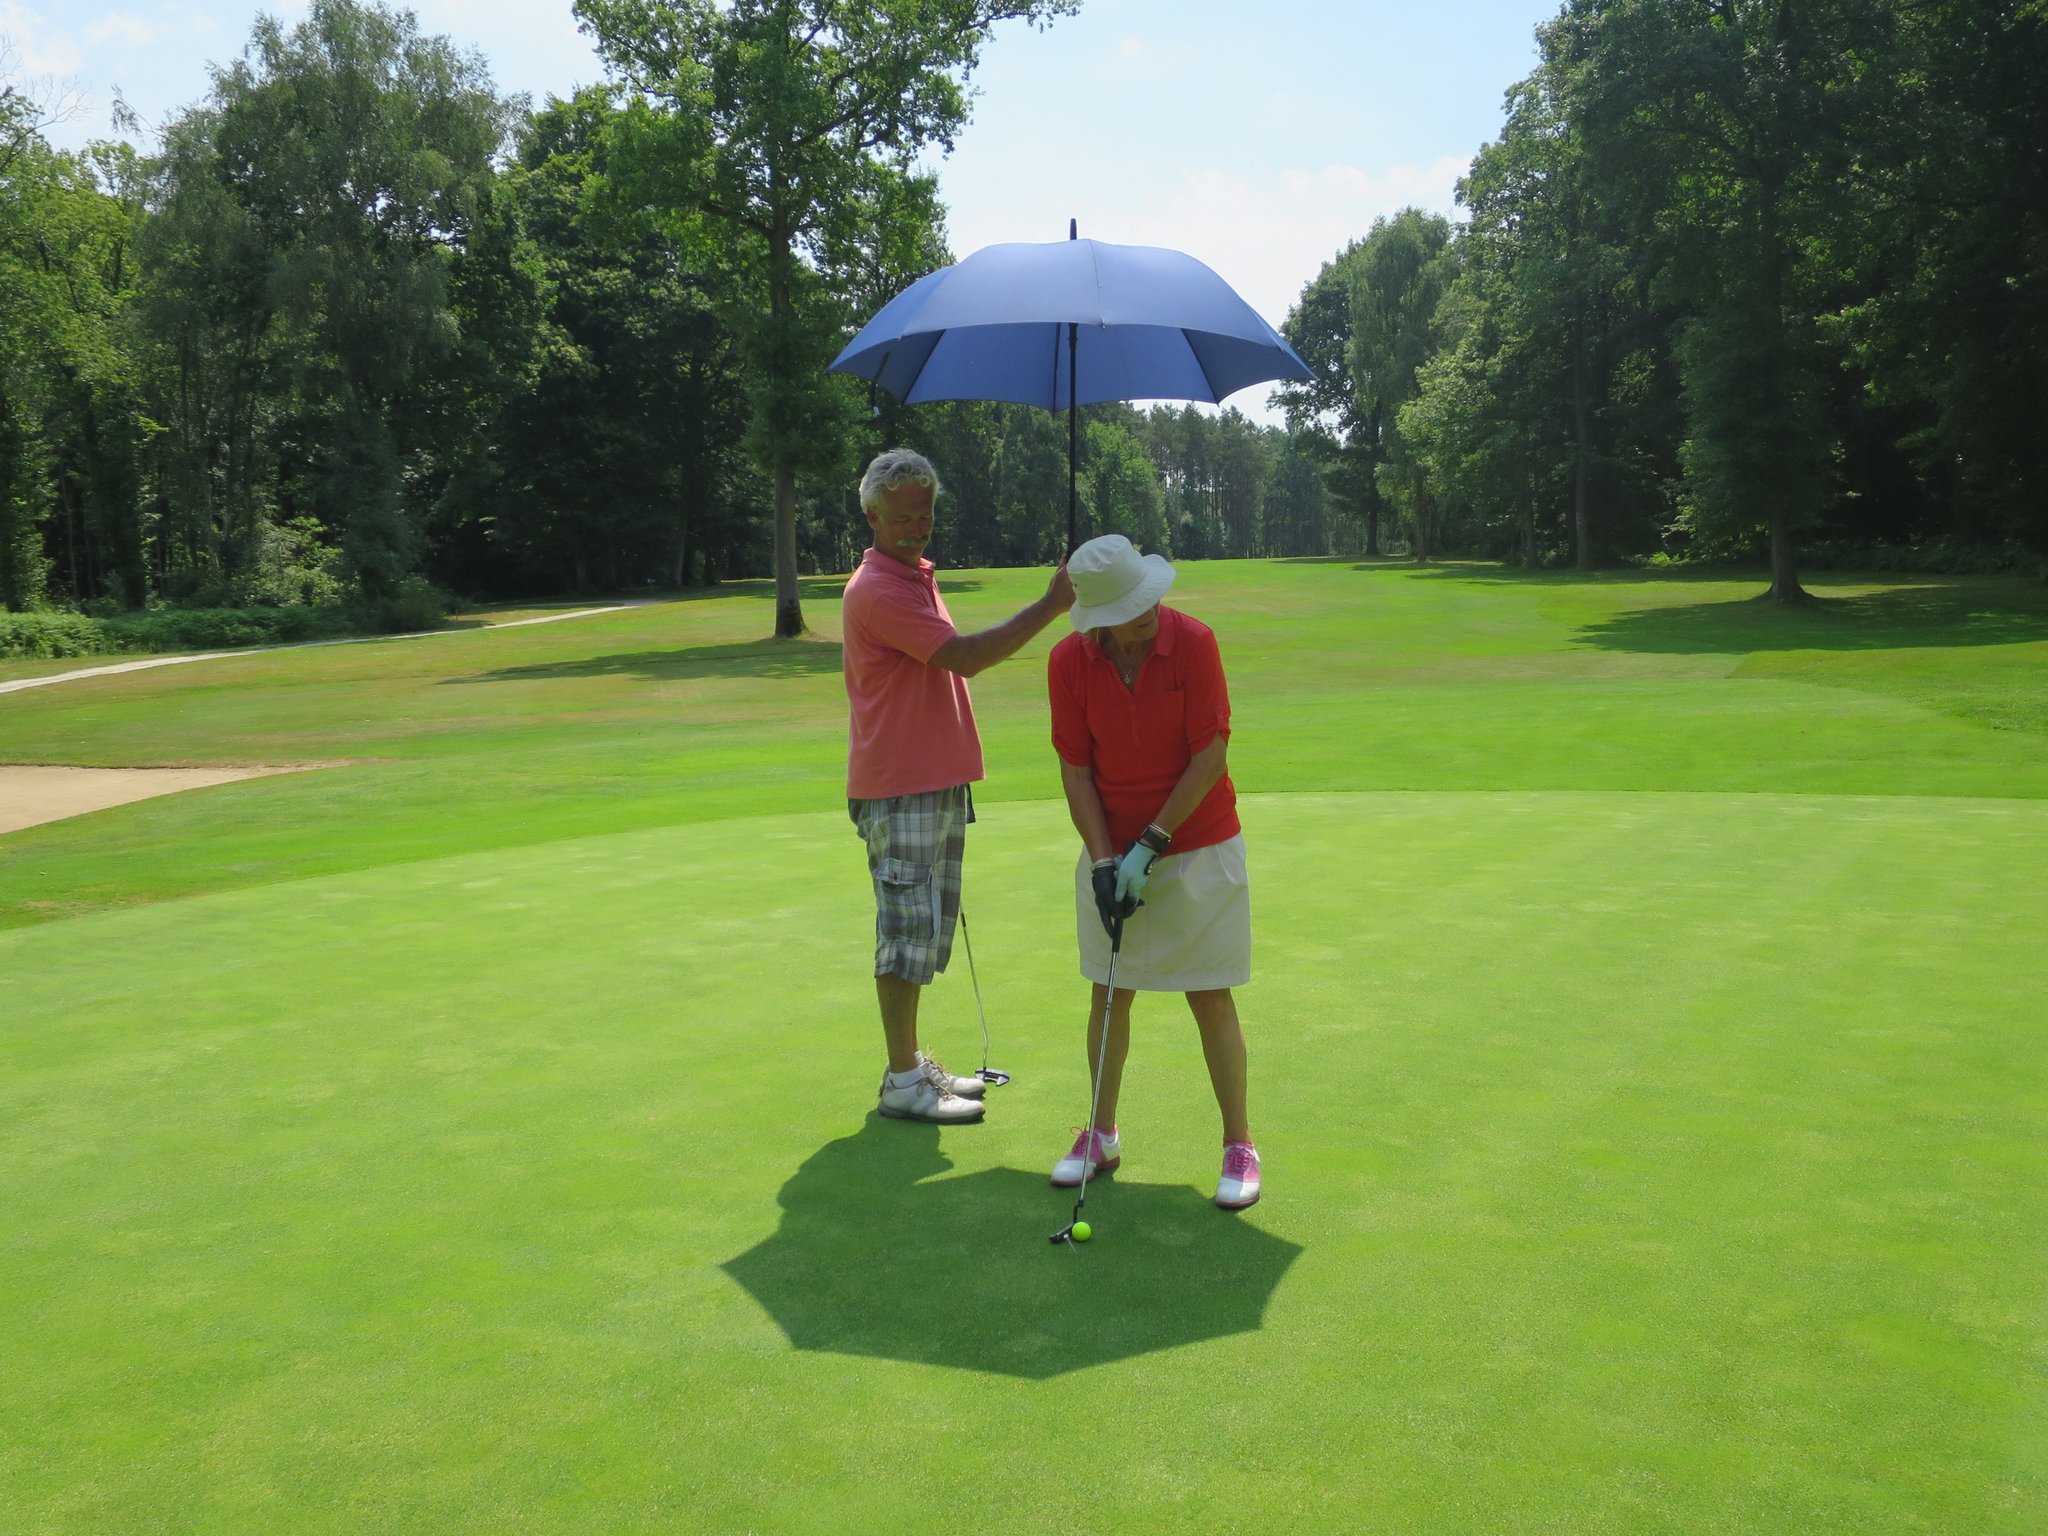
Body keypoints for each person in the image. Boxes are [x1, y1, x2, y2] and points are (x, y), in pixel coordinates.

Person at [842, 448, 1073, 1124]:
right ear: (873, 516)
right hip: (901, 785)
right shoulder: (879, 589)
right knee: (905, 935)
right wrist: (1052, 604)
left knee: (923, 932)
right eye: (903, 518)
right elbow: (965, 658)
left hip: (930, 781)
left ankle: (912, 1065)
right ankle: (902, 1081)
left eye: (926, 515)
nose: (917, 528)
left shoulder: (915, 575)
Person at [1045, 534, 1259, 1208]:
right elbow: (1077, 772)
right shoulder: (1067, 663)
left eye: (1147, 598)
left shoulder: (1193, 642)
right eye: (1129, 607)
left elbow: (1210, 755)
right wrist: (1105, 860)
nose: (1148, 611)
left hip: (1198, 844)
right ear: (1098, 619)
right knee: (1109, 993)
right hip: (1112, 846)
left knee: (1209, 994)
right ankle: (1101, 1133)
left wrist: (1150, 845)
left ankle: (1239, 1144)